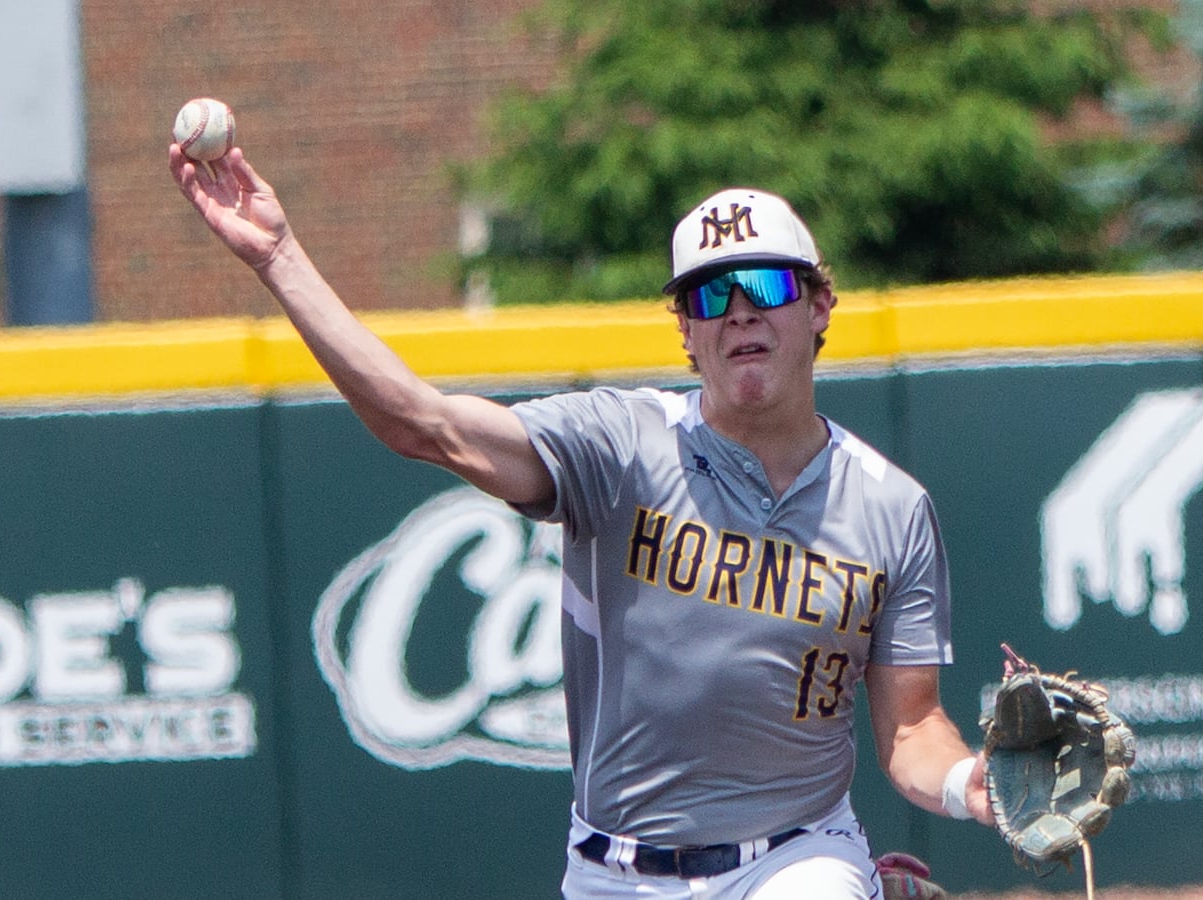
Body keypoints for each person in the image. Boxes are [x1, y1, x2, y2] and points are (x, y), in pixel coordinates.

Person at [170, 141, 994, 899]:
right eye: (711, 294)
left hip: (796, 856)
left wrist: (968, 784)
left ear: (819, 305)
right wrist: (280, 258)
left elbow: (912, 725)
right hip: (615, 869)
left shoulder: (891, 507)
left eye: (768, 285)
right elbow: (425, 424)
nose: (740, 311)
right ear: (686, 334)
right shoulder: (619, 445)